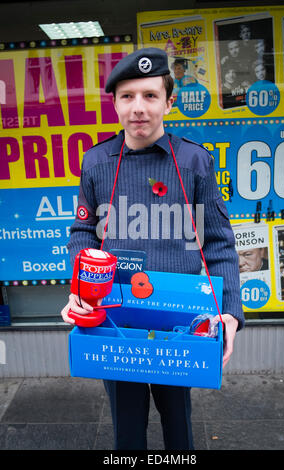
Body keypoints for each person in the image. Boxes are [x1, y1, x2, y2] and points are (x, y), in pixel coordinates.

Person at [61, 47, 244, 450]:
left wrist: (229, 312)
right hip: (114, 313)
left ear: (169, 101)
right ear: (114, 103)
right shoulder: (96, 163)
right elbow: (83, 233)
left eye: (149, 95)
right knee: (126, 430)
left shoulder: (194, 162)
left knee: (179, 426)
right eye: (127, 96)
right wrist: (79, 290)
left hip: (177, 318)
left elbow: (217, 241)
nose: (138, 108)